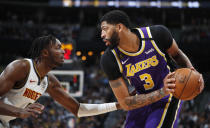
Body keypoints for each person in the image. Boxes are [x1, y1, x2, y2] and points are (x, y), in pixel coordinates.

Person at [99, 10, 204, 128]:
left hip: (169, 94)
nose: (102, 34)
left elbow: (177, 54)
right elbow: (126, 103)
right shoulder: (109, 58)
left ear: (119, 27)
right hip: (143, 99)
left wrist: (193, 72)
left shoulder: (156, 34)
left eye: (105, 29)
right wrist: (161, 92)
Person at [0, 35, 120, 128]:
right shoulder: (22, 67)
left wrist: (117, 105)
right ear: (45, 52)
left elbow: (78, 109)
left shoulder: (49, 81)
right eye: (58, 47)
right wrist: (19, 112)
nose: (63, 51)